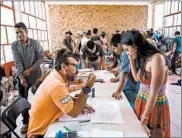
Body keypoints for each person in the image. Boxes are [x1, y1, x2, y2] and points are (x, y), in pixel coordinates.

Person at [28, 48, 96, 138]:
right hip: (40, 133)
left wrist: (79, 102)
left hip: (49, 125)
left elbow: (64, 98)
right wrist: (87, 88)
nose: (78, 70)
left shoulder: (55, 75)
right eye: (75, 66)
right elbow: (74, 113)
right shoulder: (56, 85)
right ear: (64, 67)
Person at [121, 30, 170, 137]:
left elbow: (154, 93)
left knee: (153, 134)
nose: (127, 53)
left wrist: (144, 120)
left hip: (155, 103)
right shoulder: (143, 58)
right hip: (142, 100)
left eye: (127, 49)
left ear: (136, 45)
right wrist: (131, 61)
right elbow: (136, 78)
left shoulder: (156, 59)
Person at [11, 22, 44, 133]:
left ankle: (39, 120)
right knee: (23, 99)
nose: (19, 35)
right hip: (22, 77)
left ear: (26, 32)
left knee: (38, 99)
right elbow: (17, 61)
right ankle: (26, 122)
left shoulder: (35, 44)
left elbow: (40, 58)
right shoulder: (14, 45)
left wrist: (31, 69)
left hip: (35, 76)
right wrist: (21, 77)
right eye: (17, 33)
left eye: (21, 32)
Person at [110, 34, 140, 110]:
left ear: (119, 45)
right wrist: (117, 78)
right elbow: (124, 69)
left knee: (129, 111)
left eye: (114, 48)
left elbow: (125, 73)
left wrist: (118, 91)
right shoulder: (128, 51)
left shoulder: (125, 53)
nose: (115, 51)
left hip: (130, 88)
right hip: (133, 87)